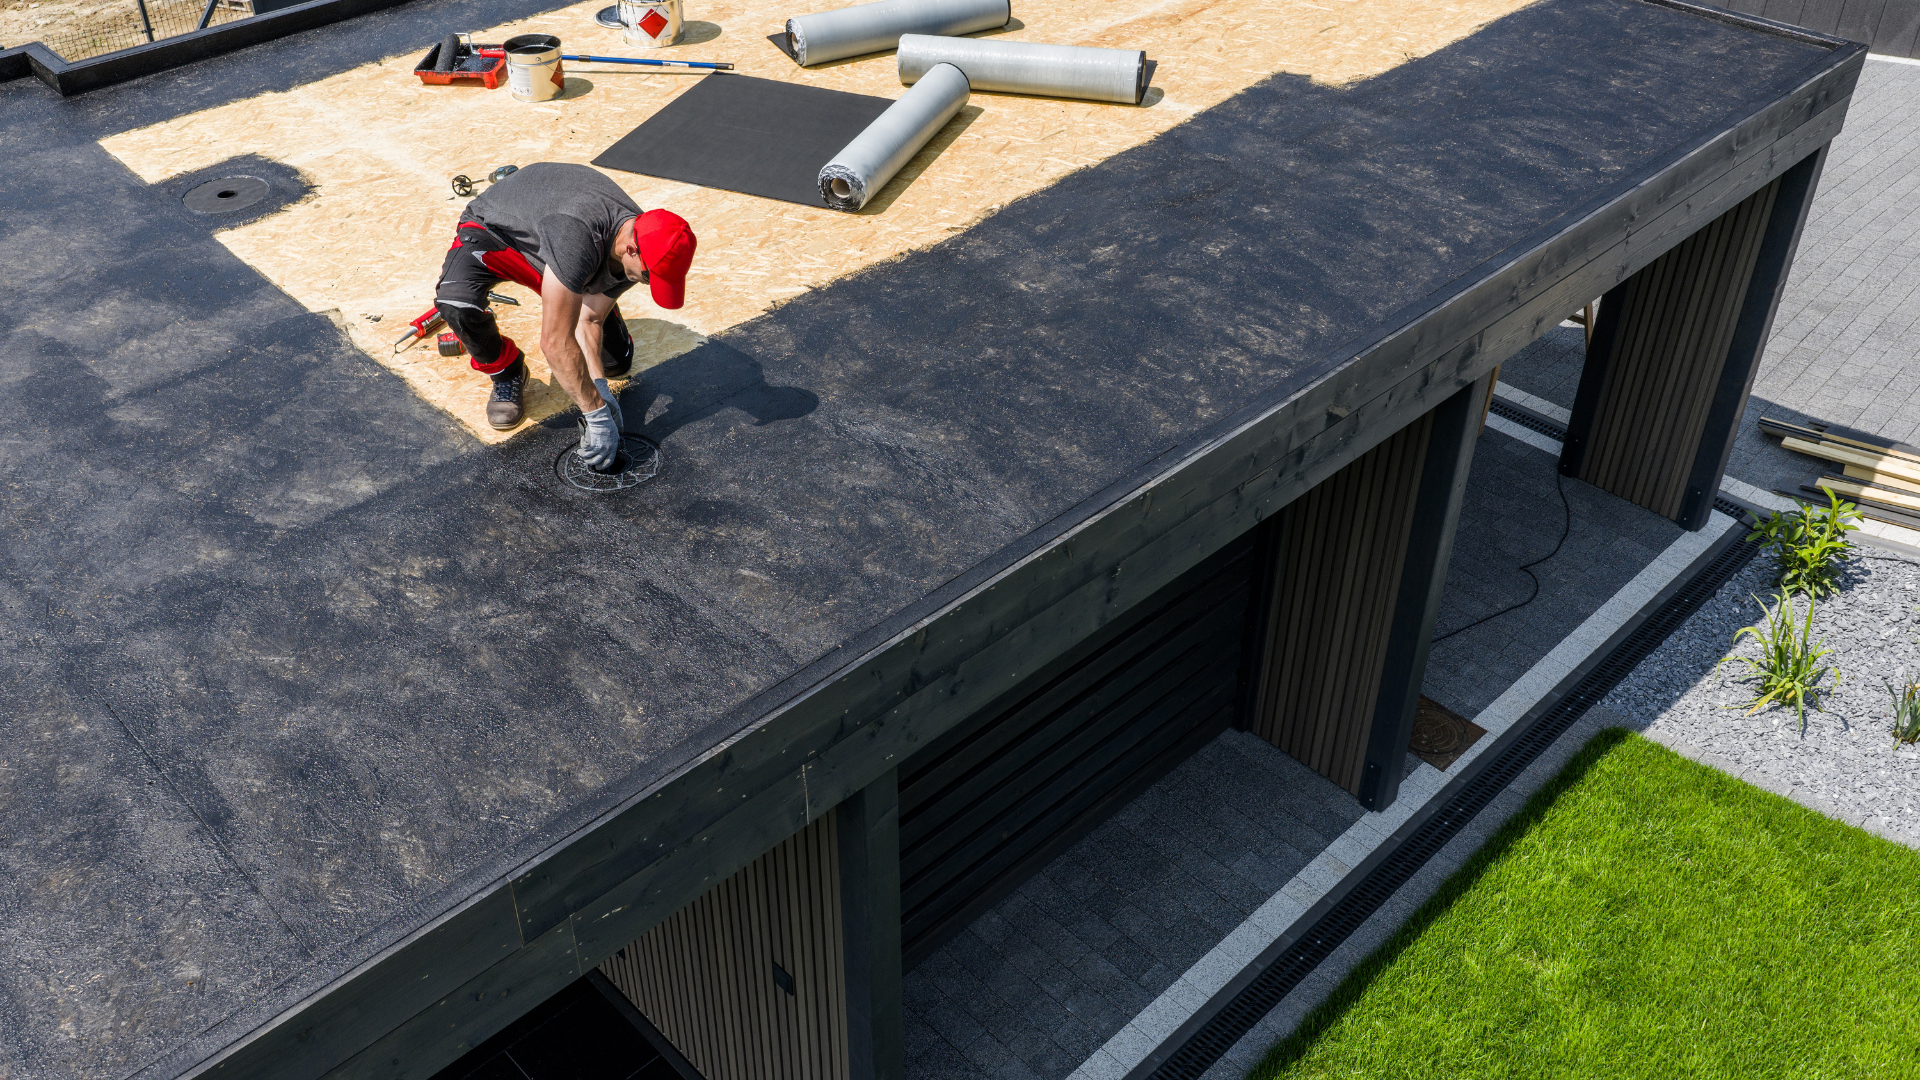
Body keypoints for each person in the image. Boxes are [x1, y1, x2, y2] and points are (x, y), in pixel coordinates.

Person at [434, 161, 697, 469]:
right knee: (456, 303)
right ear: (629, 249)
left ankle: (578, 295)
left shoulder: (643, 237)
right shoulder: (579, 236)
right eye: (649, 276)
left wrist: (599, 387)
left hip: (556, 245)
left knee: (617, 363)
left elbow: (590, 319)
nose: (647, 283)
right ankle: (506, 369)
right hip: (496, 233)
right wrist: (595, 414)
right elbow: (555, 343)